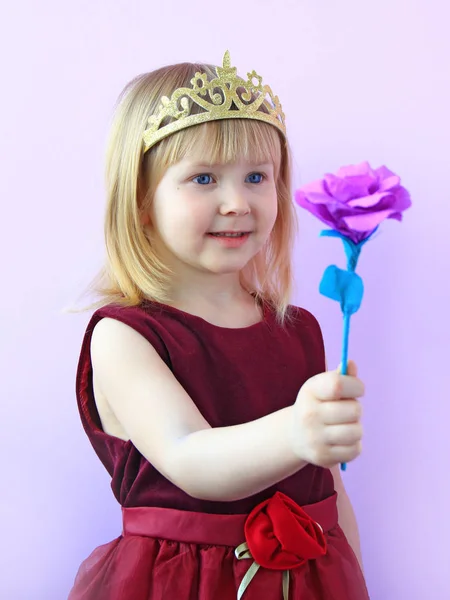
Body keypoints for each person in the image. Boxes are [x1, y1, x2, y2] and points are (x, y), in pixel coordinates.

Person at [69, 51, 369, 600]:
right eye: (204, 178)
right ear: (141, 201)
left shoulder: (298, 328)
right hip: (185, 585)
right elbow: (188, 455)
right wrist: (298, 431)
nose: (238, 203)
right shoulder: (126, 335)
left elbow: (327, 489)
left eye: (257, 176)